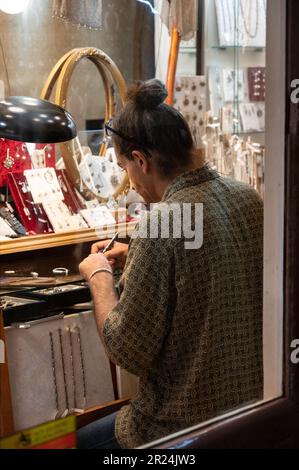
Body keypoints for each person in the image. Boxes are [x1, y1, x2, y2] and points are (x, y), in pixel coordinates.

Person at [78, 79, 263, 449]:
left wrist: (98, 276)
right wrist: (138, 257)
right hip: (251, 410)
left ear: (141, 161)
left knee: (79, 441)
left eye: (124, 167)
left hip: (182, 426)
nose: (130, 181)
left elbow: (127, 350)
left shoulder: (161, 224)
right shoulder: (247, 198)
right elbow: (208, 259)